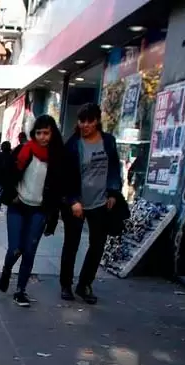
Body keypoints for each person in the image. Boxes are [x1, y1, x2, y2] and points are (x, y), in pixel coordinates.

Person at [0, 115, 70, 307]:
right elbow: (5, 172)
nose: (42, 137)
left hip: (39, 210)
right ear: (33, 133)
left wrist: (53, 216)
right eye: (39, 133)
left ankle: (20, 291)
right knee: (15, 248)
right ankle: (6, 269)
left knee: (29, 251)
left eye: (46, 133)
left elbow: (58, 190)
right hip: (18, 205)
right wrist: (10, 193)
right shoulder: (24, 150)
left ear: (52, 133)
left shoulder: (58, 158)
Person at [60, 103, 122, 304]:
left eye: (89, 121)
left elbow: (114, 168)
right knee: (72, 244)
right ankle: (66, 284)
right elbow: (66, 177)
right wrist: (73, 201)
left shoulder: (108, 142)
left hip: (101, 202)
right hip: (77, 203)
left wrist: (113, 192)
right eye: (81, 121)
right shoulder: (73, 145)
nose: (85, 125)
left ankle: (85, 284)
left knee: (97, 246)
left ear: (97, 121)